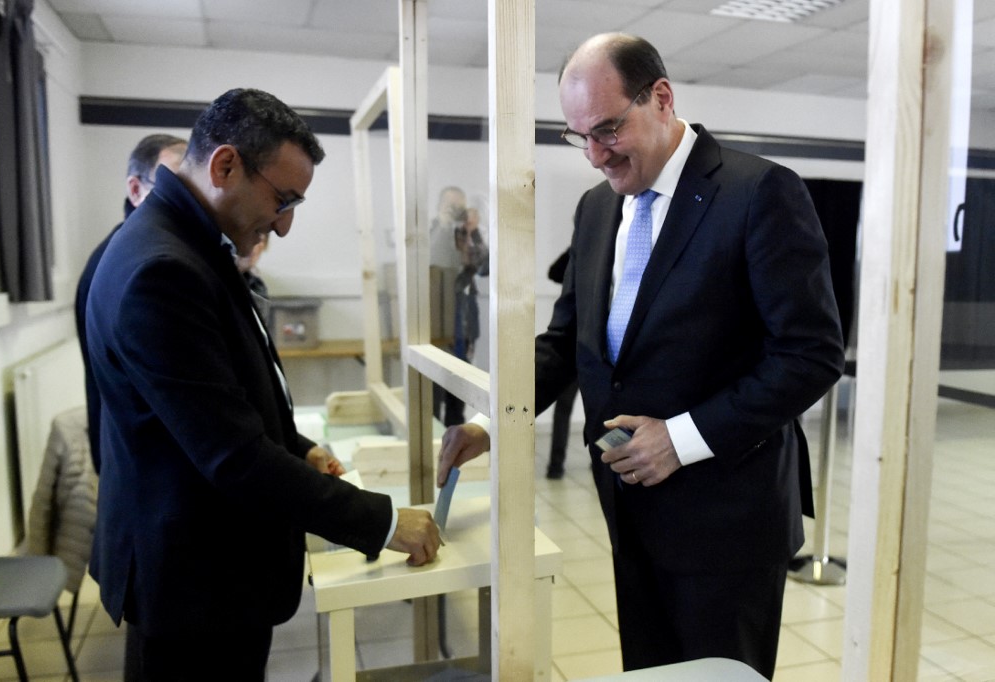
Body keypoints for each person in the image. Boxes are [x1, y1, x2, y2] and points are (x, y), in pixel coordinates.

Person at [438, 33, 844, 678]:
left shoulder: (758, 192)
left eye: (607, 130)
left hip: (727, 516)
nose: (596, 156)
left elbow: (811, 354)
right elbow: (569, 341)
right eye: (579, 137)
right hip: (631, 505)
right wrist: (492, 421)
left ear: (659, 97)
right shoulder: (599, 208)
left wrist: (680, 439)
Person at [86, 88, 441, 681]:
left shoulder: (188, 244)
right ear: (226, 165)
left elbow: (222, 396)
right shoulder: (163, 270)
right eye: (283, 198)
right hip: (195, 581)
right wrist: (380, 522)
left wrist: (298, 449)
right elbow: (232, 457)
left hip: (203, 570)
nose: (285, 222)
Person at [75, 133, 188, 474]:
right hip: (141, 463)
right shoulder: (139, 264)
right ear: (136, 189)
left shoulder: (145, 250)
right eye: (172, 185)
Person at [429, 186, 488, 426]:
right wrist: (444, 225)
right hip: (436, 327)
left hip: (463, 327)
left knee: (456, 399)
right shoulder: (432, 230)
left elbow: (485, 267)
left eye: (459, 207)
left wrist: (473, 233)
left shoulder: (467, 235)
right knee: (431, 398)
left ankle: (454, 455)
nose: (455, 212)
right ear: (439, 207)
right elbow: (436, 260)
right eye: (450, 206)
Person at [543, 248, 578, 480]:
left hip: (597, 350)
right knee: (563, 410)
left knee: (606, 411)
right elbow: (554, 273)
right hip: (573, 345)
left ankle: (605, 459)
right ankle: (556, 465)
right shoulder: (582, 249)